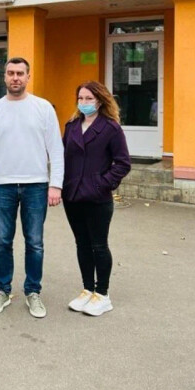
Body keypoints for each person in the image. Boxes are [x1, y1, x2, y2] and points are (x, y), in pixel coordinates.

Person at [0, 57, 64, 318]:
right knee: (1, 242)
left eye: (20, 73)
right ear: (4, 77)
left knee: (35, 242)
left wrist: (56, 185)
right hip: (2, 185)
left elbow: (56, 149)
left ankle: (33, 292)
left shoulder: (43, 108)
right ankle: (2, 290)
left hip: (36, 185)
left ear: (28, 77)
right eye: (10, 73)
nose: (15, 78)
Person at [61, 81, 131, 317]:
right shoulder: (71, 126)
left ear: (100, 100)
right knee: (82, 244)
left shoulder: (110, 128)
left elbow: (122, 163)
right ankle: (87, 289)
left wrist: (101, 184)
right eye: (80, 98)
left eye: (88, 99)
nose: (84, 103)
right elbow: (64, 158)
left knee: (99, 245)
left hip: (97, 198)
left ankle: (102, 294)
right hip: (72, 195)